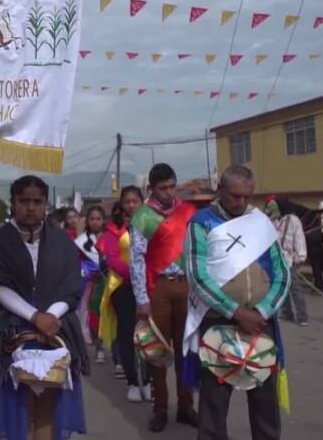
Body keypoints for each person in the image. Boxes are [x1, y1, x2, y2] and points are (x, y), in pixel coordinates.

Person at [183, 165, 291, 440]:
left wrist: (262, 311)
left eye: (247, 196)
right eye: (234, 196)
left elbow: (282, 274)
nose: (241, 202)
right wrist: (236, 312)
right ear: (220, 191)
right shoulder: (201, 223)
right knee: (214, 405)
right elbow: (198, 277)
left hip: (260, 321)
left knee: (265, 404)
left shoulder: (260, 223)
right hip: (218, 321)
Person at [0, 175, 88, 440]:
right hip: (13, 332)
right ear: (13, 203)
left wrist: (52, 316)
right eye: (24, 201)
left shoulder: (62, 241)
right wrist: (34, 316)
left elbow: (72, 286)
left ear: (45, 205)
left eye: (37, 201)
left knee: (48, 407)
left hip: (56, 331)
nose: (30, 207)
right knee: (20, 408)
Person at [130, 163, 199, 432]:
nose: (169, 193)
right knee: (158, 352)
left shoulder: (188, 212)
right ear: (152, 189)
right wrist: (141, 299)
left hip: (186, 287)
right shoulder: (142, 217)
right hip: (157, 289)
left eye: (172, 186)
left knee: (186, 350)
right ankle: (160, 408)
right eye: (163, 188)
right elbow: (136, 260)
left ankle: (186, 407)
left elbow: (196, 253)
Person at [98, 186, 150, 403]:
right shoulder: (112, 230)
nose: (131, 205)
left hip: (148, 287)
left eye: (135, 201)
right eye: (127, 201)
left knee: (148, 335)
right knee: (128, 335)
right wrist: (135, 273)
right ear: (121, 205)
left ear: (141, 202)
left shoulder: (150, 225)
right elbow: (112, 259)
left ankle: (148, 381)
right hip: (123, 287)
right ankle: (132, 382)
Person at [264, 198, 308, 326]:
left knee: (295, 289)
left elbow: (299, 238)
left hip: (290, 259)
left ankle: (302, 316)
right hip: (277, 260)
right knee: (281, 288)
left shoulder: (293, 220)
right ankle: (286, 313)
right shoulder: (274, 221)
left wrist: (301, 256)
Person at [75, 206, 106, 362]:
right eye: (92, 219)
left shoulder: (109, 237)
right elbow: (77, 260)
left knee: (106, 315)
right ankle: (97, 345)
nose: (95, 222)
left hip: (108, 281)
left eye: (98, 219)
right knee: (91, 316)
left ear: (103, 220)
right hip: (89, 283)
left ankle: (110, 349)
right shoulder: (82, 241)